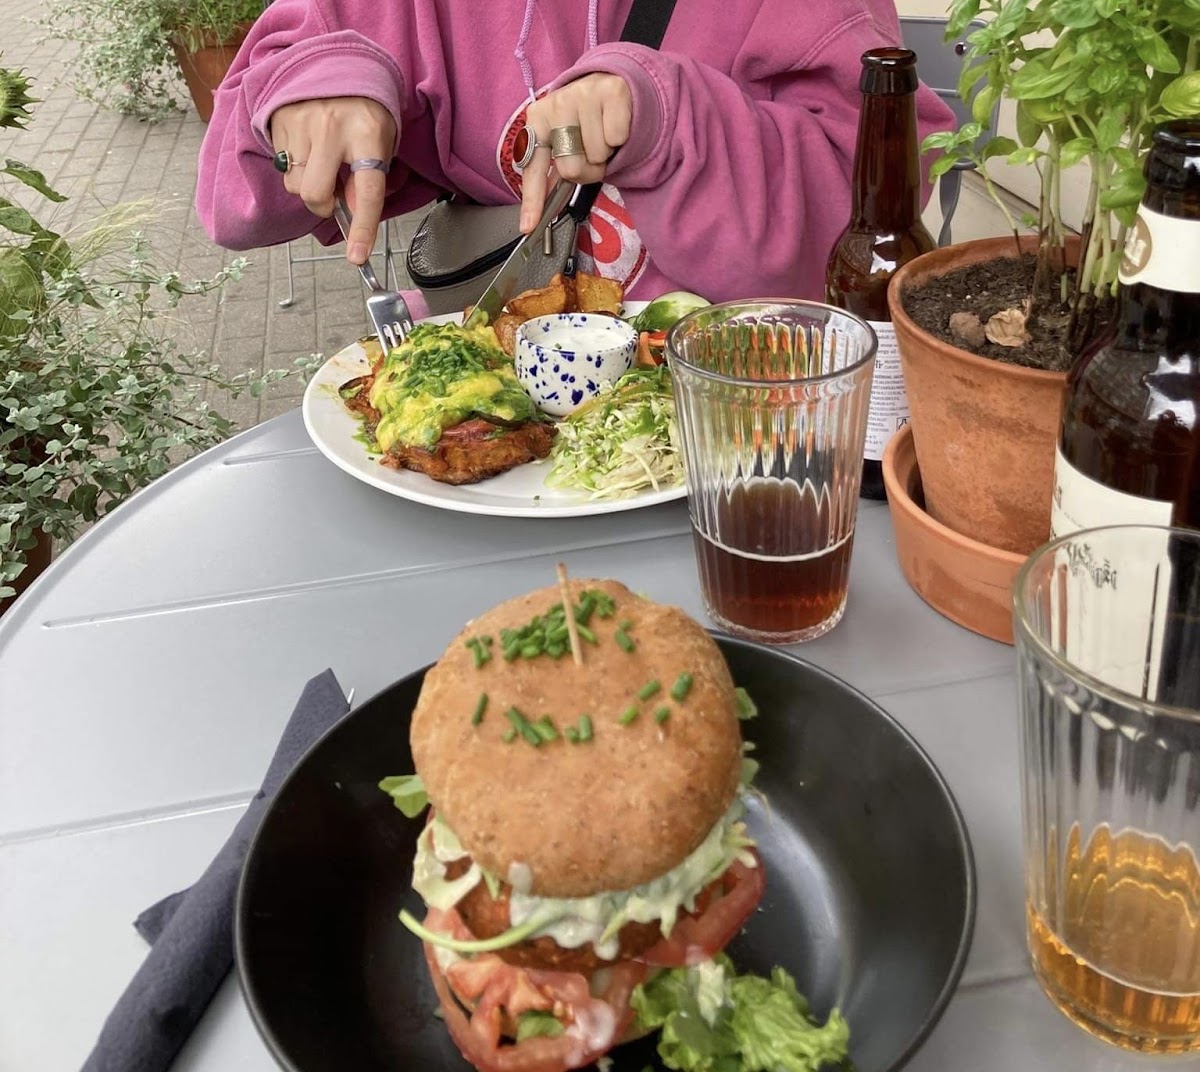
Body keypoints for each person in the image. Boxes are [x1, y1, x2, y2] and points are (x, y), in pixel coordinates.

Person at [196, 0, 954, 310]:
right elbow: (232, 203)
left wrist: (667, 117)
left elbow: (869, 228)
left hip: (737, 434)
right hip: (488, 448)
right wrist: (311, 88)